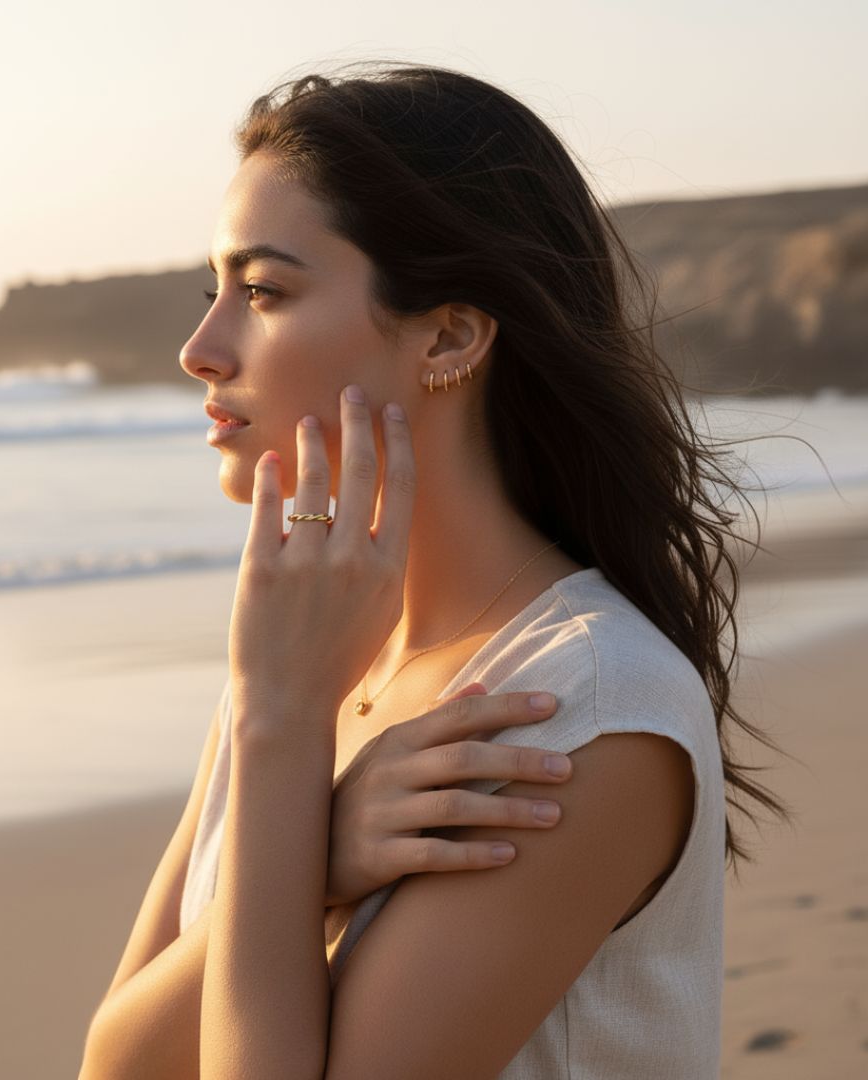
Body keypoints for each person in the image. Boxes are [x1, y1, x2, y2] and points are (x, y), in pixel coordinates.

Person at [79, 64, 788, 1079]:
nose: (201, 348)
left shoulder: (578, 706)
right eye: (214, 291)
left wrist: (284, 745)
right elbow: (113, 1063)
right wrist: (313, 855)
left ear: (450, 335)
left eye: (265, 291)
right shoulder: (305, 666)